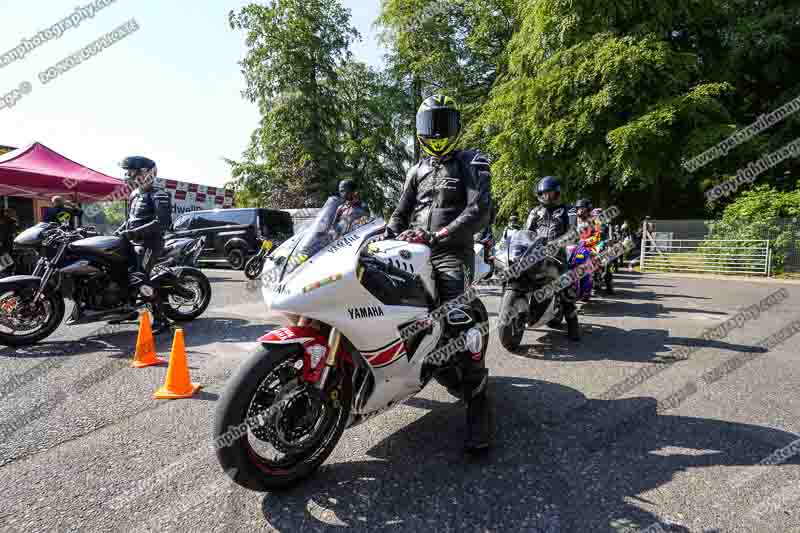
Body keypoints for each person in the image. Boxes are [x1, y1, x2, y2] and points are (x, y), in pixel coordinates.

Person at [384, 94, 493, 453]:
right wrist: (386, 233)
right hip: (411, 250)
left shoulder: (471, 161)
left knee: (456, 317)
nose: (437, 133)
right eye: (431, 126)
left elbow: (479, 211)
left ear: (457, 127)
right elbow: (400, 214)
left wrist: (439, 236)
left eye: (443, 125)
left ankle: (478, 400)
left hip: (450, 252)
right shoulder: (416, 169)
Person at [114, 156, 173, 334]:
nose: (129, 176)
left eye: (132, 172)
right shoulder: (134, 194)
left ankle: (161, 319)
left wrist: (133, 233)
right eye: (128, 173)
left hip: (150, 243)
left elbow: (162, 223)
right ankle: (127, 309)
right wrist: (119, 231)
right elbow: (131, 221)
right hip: (132, 241)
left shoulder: (158, 194)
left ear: (147, 173)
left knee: (139, 278)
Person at [524, 176, 580, 341]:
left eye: (551, 193)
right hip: (535, 254)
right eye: (545, 193)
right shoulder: (535, 212)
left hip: (557, 256)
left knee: (565, 285)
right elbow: (526, 232)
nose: (548, 196)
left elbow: (573, 232)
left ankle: (573, 323)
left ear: (557, 194)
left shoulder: (567, 210)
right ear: (540, 194)